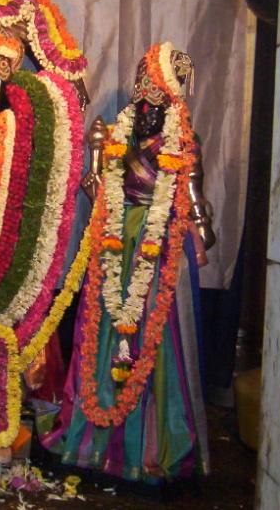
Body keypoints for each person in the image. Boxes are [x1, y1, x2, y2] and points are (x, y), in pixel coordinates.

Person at [40, 42, 214, 484]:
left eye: (156, 94)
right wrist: (94, 178)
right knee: (104, 336)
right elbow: (101, 193)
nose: (146, 103)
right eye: (142, 91)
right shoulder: (119, 135)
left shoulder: (184, 141)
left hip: (160, 253)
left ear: (172, 99)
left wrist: (200, 230)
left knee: (154, 345)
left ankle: (151, 446)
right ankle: (97, 440)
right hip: (116, 245)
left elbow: (193, 198)